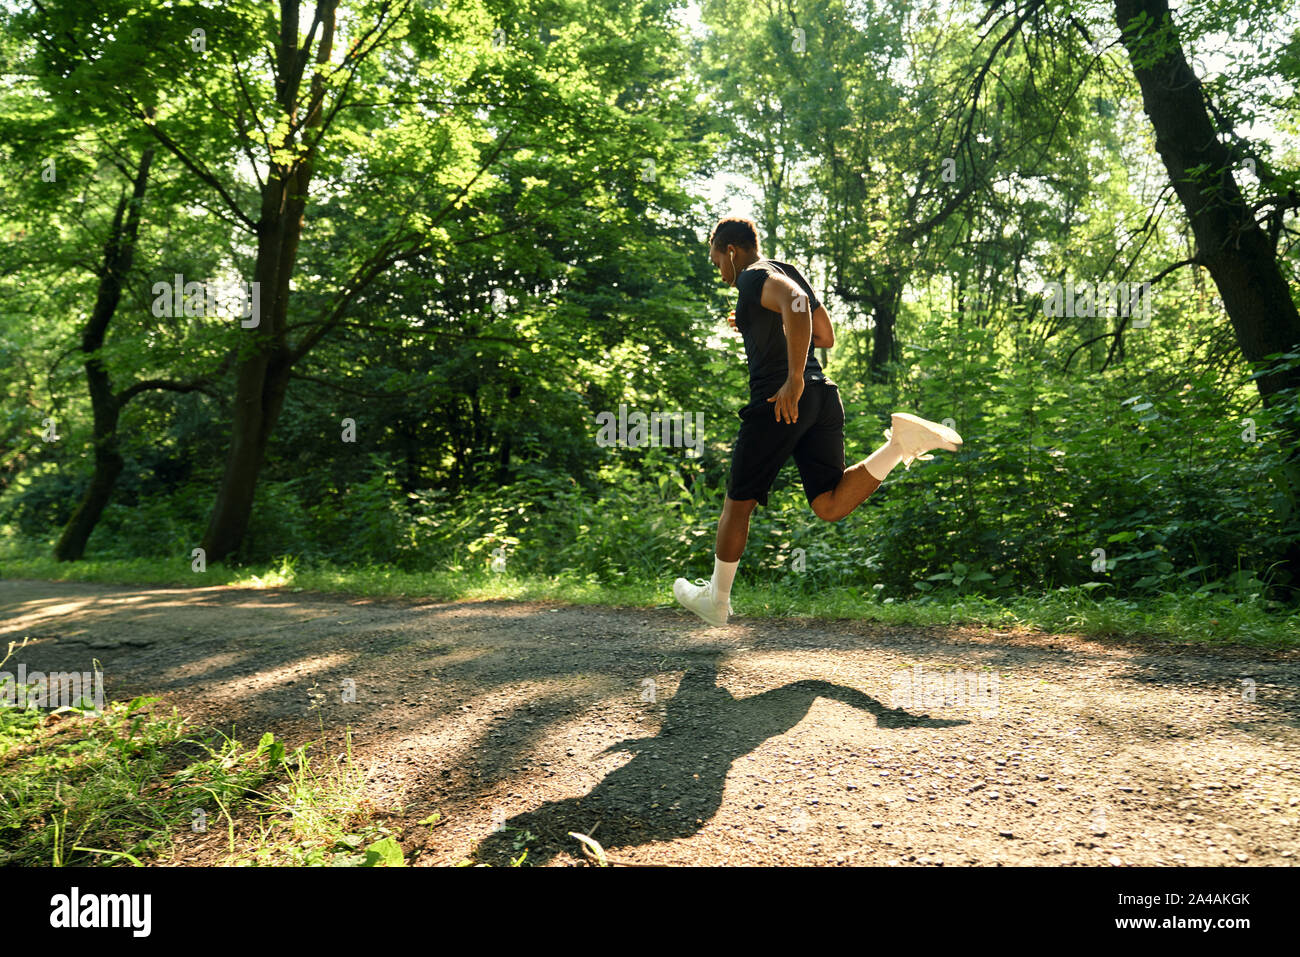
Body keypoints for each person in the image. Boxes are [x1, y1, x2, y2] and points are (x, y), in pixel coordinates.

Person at [673, 216, 963, 626]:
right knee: (828, 502)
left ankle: (716, 602)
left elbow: (792, 304)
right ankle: (899, 444)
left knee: (737, 504)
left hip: (781, 401)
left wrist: (791, 379)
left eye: (717, 260)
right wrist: (758, 323)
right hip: (823, 397)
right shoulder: (783, 270)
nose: (719, 270)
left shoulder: (753, 276)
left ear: (732, 251)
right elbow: (823, 334)